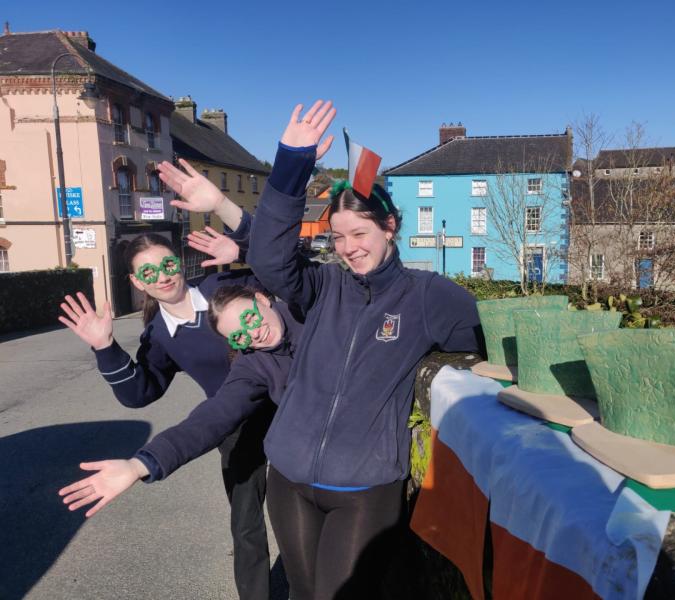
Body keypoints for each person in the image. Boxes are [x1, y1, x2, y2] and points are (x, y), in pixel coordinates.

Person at [241, 100, 483, 599]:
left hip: (365, 490)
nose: (348, 247)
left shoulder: (429, 295)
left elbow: (489, 345)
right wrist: (291, 160)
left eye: (360, 233)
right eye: (338, 237)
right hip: (289, 478)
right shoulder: (323, 285)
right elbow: (266, 259)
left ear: (390, 228)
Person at [58, 222, 273, 600]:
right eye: (149, 273)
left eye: (168, 265)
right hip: (231, 423)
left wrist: (243, 249)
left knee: (299, 513)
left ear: (180, 262)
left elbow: (285, 272)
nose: (163, 277)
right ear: (137, 283)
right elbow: (141, 392)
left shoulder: (225, 287)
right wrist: (105, 347)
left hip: (288, 408)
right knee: (245, 525)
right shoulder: (159, 334)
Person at [59, 285, 301, 523]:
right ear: (137, 281)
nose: (254, 333)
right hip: (261, 436)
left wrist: (241, 247)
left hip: (322, 452)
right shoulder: (250, 363)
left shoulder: (314, 316)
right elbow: (213, 415)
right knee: (250, 516)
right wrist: (140, 464)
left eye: (250, 318)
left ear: (262, 299)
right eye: (239, 336)